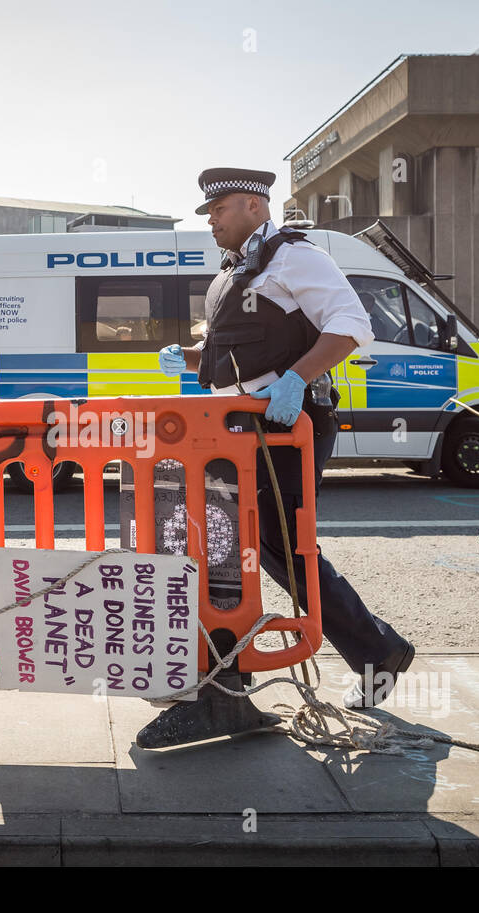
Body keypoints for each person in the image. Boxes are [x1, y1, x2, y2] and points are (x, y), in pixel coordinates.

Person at [158, 167, 414, 709]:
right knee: (230, 542)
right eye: (207, 213)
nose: (210, 222)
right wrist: (190, 358)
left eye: (218, 210)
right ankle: (226, 667)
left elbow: (351, 325)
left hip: (284, 424)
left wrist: (297, 379)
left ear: (254, 205)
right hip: (235, 427)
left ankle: (377, 653)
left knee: (283, 545)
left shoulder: (296, 256)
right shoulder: (233, 271)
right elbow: (243, 350)